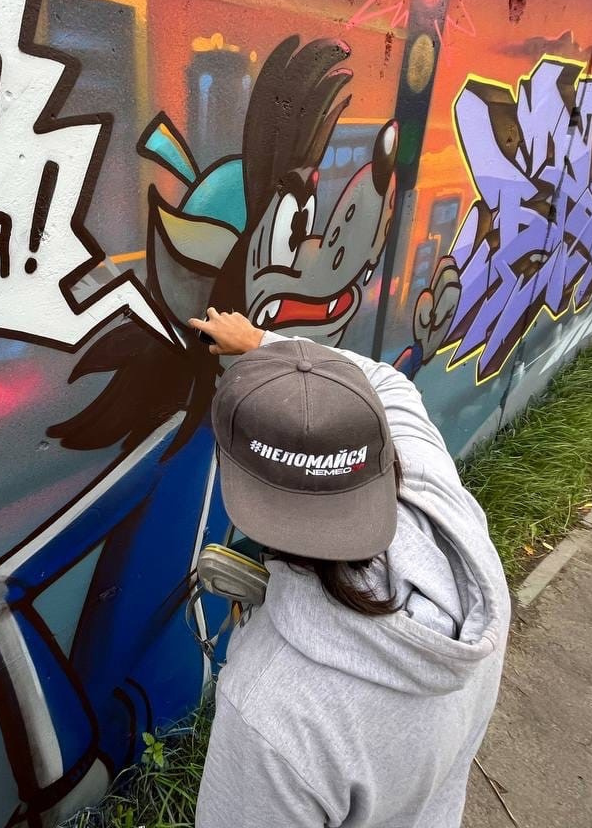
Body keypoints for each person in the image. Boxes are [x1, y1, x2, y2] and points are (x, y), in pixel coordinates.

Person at [188, 308, 511, 828]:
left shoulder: (273, 713)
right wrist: (264, 343)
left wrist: (259, 343)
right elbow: (385, 381)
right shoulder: (447, 515)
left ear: (239, 490)